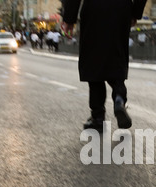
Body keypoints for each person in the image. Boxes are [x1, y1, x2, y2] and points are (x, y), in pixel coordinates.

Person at [61, 0, 147, 132]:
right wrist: (135, 12)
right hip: (121, 9)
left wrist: (69, 19)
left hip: (93, 9)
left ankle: (98, 117)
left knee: (93, 59)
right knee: (117, 54)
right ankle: (119, 97)